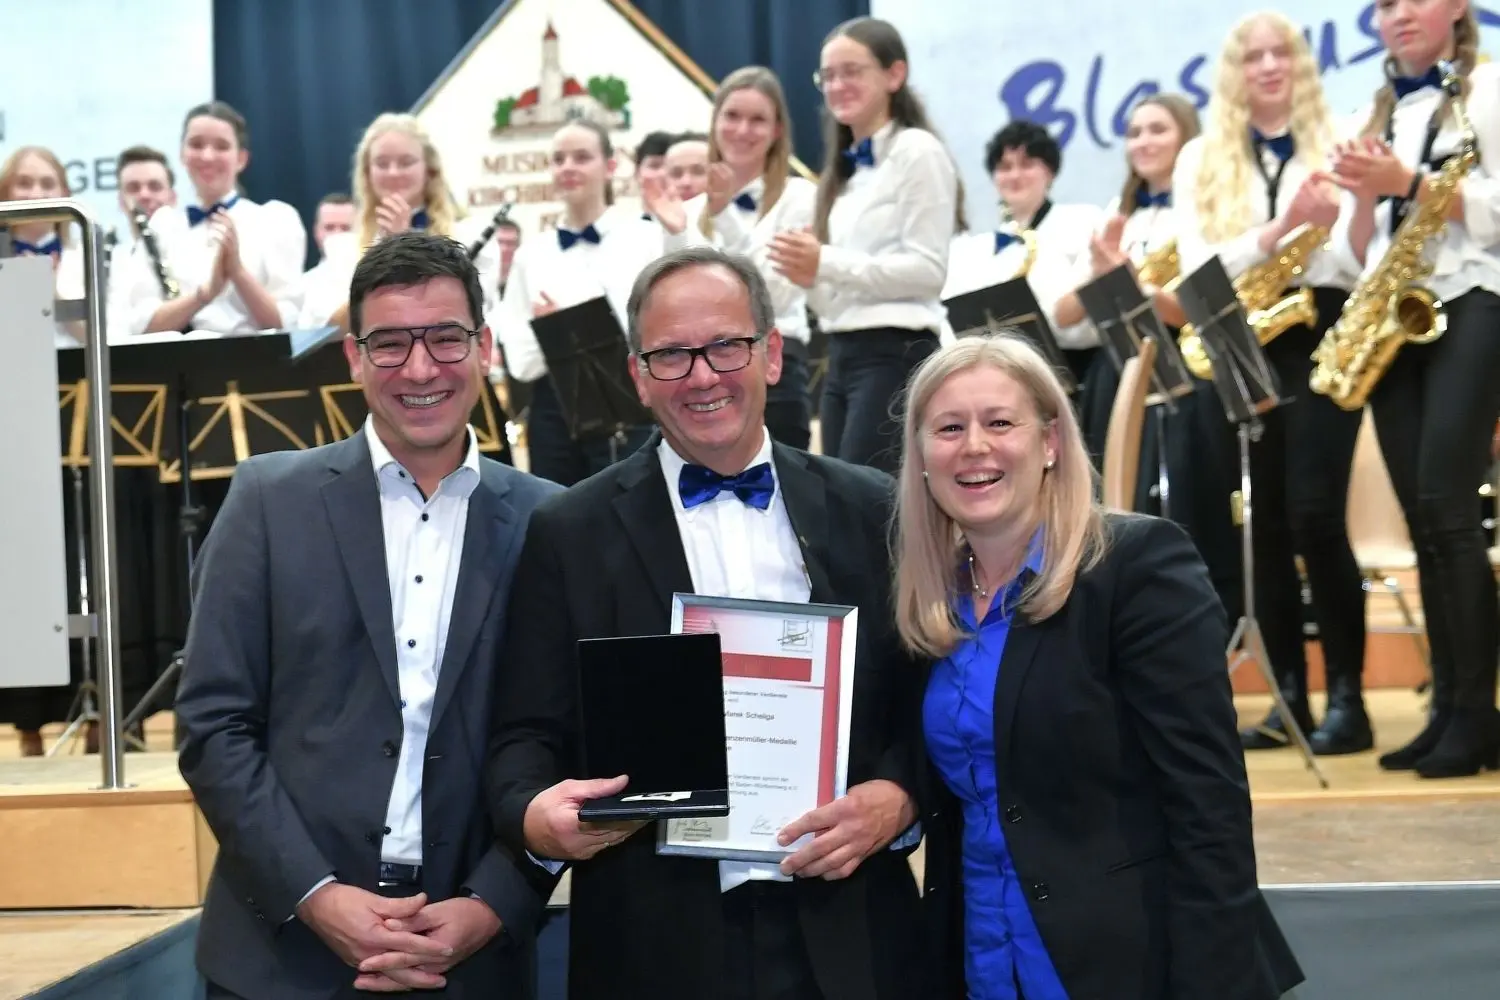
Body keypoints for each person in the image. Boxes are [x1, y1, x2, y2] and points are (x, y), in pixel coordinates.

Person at [487, 246, 930, 999]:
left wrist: (902, 796)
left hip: (851, 923)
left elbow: (933, 702)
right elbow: (522, 735)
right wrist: (535, 817)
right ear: (636, 375)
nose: (702, 375)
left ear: (772, 355)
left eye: (726, 345)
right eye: (670, 355)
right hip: (655, 939)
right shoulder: (570, 530)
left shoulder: (874, 507)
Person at [175, 231, 560, 998]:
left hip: (472, 957)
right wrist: (315, 896)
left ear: (484, 347)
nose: (420, 369)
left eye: (446, 339)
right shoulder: (265, 500)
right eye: (389, 343)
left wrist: (491, 905)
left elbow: (564, 746)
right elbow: (214, 725)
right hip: (280, 957)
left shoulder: (550, 522)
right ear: (352, 357)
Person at [895, 333, 1304, 1000]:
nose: (975, 446)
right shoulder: (925, 604)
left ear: (1050, 442)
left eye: (1000, 422)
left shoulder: (1139, 566)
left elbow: (1209, 805)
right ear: (920, 457)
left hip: (1132, 966)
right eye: (948, 428)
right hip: (981, 961)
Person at [1174, 11, 1370, 757]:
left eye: (1279, 52)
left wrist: (1335, 222)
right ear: (1234, 71)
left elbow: (1360, 261)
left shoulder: (1340, 137)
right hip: (1239, 336)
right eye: (1251, 55)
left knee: (1317, 513)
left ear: (1300, 63)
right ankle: (1288, 691)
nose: (1267, 66)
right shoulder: (1201, 156)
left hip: (1320, 331)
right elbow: (1196, 263)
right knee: (1263, 521)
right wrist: (1282, 227)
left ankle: (1347, 695)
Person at [1321, 0, 1500, 777]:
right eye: (1384, 5)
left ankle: (1476, 714)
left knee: (1450, 510)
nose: (1396, 15)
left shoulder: (1489, 90)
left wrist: (1413, 183)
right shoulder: (1370, 110)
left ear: (1457, 6)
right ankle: (1448, 709)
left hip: (1471, 300)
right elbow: (1348, 249)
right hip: (1393, 319)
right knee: (1425, 517)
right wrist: (1364, 197)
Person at [769, 16, 962, 474]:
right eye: (828, 76)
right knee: (843, 496)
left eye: (852, 71)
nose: (837, 85)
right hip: (842, 354)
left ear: (894, 75)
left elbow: (927, 271)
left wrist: (825, 262)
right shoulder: (845, 172)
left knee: (868, 502)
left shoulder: (917, 151)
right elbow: (836, 299)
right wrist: (808, 276)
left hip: (896, 351)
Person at [647, 65, 817, 450]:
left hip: (777, 365)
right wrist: (674, 233)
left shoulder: (799, 198)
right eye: (733, 116)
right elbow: (677, 302)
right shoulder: (687, 210)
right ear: (715, 122)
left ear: (777, 131)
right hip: (699, 369)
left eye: (757, 120)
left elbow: (771, 297)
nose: (742, 130)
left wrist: (725, 216)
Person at [496, 119, 661, 486]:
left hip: (630, 402)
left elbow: (656, 331)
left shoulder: (645, 239)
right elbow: (521, 363)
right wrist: (563, 337)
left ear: (610, 165)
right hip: (554, 411)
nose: (567, 167)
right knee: (558, 516)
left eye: (581, 157)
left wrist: (560, 330)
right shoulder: (531, 255)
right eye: (558, 159)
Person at [112, 101, 305, 336]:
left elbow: (285, 324)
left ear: (241, 159)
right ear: (182, 154)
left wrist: (237, 272)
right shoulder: (163, 225)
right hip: (179, 367)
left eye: (222, 146)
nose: (207, 156)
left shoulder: (275, 220)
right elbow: (141, 325)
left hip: (255, 365)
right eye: (196, 144)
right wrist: (206, 293)